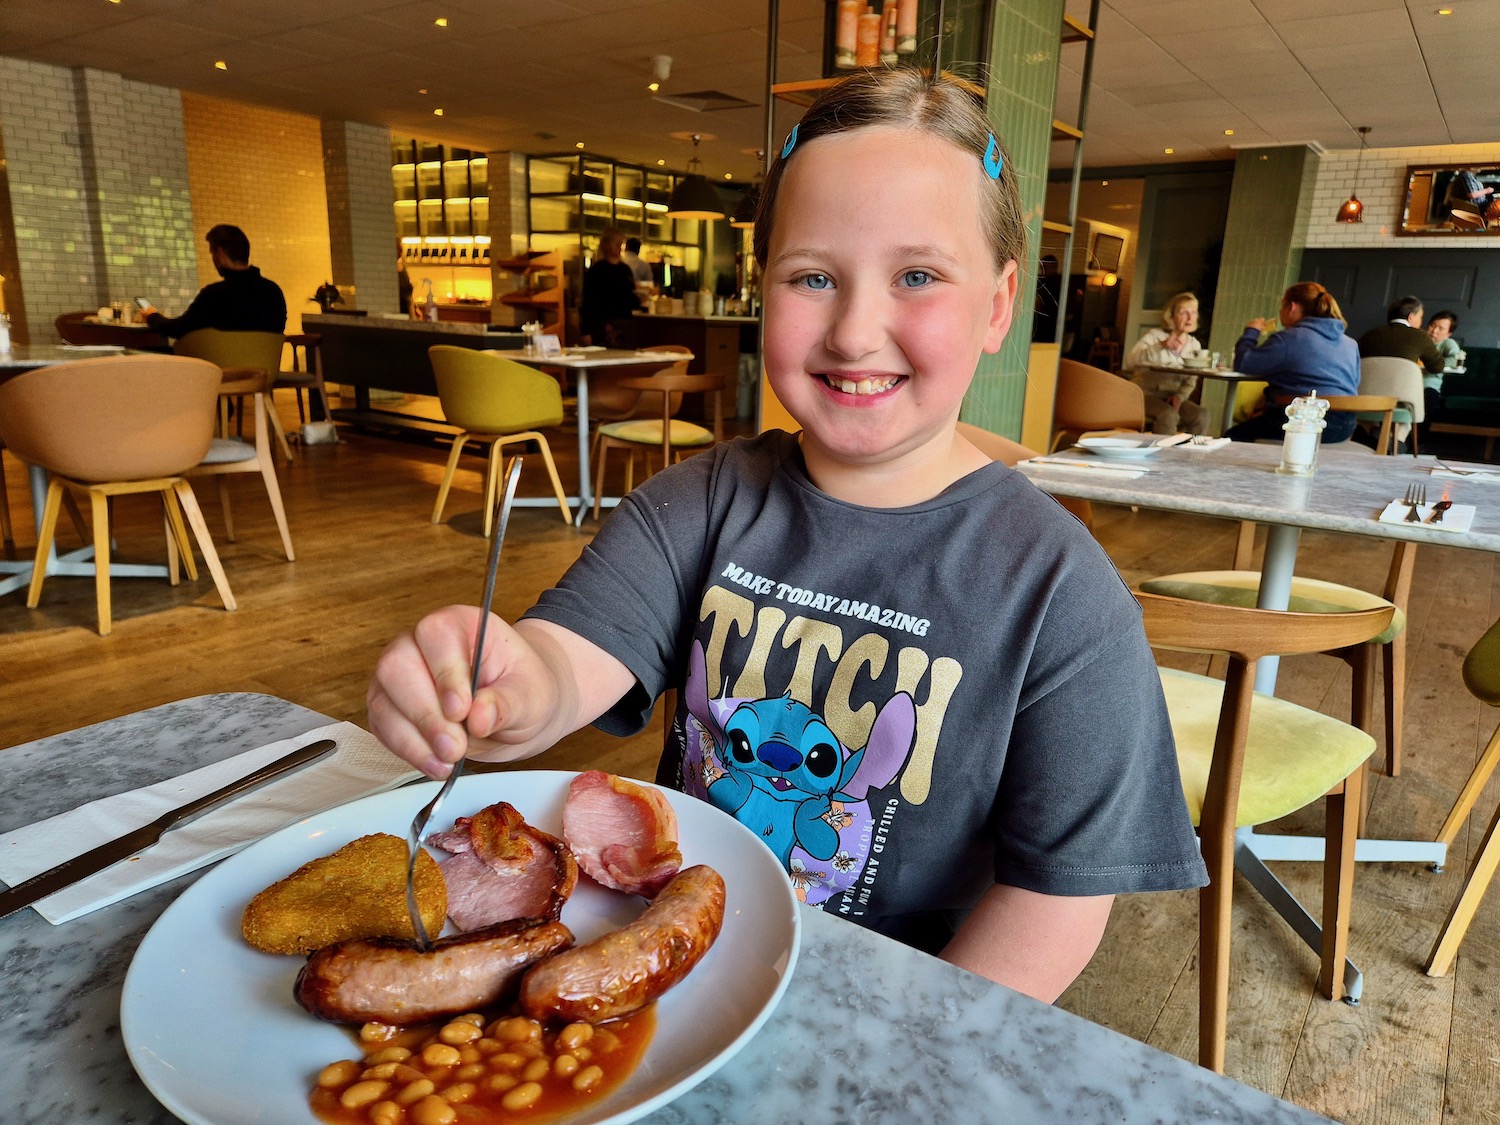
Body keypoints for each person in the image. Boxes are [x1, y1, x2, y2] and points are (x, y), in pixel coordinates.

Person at [366, 69, 1207, 1004]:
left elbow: (1055, 899)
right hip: (672, 973)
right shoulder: (698, 501)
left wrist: (912, 1054)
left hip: (893, 1002)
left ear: (1000, 305)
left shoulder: (1059, 588)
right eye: (813, 276)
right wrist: (501, 685)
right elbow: (566, 666)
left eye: (917, 276)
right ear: (764, 287)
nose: (854, 331)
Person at [1225, 281, 1361, 444]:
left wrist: (1252, 331)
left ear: (1292, 307)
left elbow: (1244, 363)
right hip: (1345, 426)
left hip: (1306, 421)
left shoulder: (1288, 339)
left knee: (1231, 437)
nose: (1280, 311)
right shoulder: (1350, 344)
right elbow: (1353, 382)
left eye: (1282, 306)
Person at [142, 224, 287, 339]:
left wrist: (152, 316)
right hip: (265, 371)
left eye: (212, 253)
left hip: (223, 372)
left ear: (220, 253)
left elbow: (179, 329)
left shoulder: (215, 294)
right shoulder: (273, 291)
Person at [1125, 291, 1209, 435]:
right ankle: (1164, 455)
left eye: (1193, 312)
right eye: (1184, 312)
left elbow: (1191, 380)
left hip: (1172, 396)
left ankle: (1190, 455)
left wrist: (1179, 397)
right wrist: (1161, 345)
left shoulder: (1194, 345)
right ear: (1171, 316)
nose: (1190, 317)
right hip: (1145, 395)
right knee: (1168, 414)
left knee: (1201, 416)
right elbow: (1130, 362)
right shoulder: (1154, 336)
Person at [579, 228, 642, 345]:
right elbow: (588, 301)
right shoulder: (597, 271)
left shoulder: (625, 270)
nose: (619, 246)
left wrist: (639, 300)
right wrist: (586, 331)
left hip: (625, 322)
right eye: (616, 243)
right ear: (606, 245)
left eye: (621, 243)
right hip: (603, 324)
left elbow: (629, 295)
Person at [1358, 295, 1444, 376]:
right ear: (1411, 317)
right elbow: (1437, 367)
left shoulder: (1368, 336)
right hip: (1404, 390)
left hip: (1367, 390)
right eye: (1420, 317)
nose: (1421, 322)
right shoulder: (1420, 337)